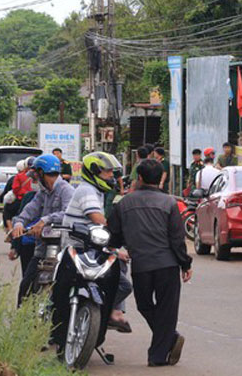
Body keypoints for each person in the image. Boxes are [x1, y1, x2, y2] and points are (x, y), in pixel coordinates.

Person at [107, 159, 192, 367]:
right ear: (161, 178)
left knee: (145, 305)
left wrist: (118, 247)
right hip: (168, 265)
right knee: (167, 309)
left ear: (140, 178)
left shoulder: (124, 203)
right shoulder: (170, 203)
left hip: (141, 266)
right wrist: (185, 264)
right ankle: (161, 349)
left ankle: (163, 345)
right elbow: (176, 239)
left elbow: (114, 236)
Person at [53, 152, 132, 344]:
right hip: (77, 249)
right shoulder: (87, 191)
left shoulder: (97, 191)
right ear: (94, 172)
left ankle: (112, 312)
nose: (111, 177)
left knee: (119, 267)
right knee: (123, 284)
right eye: (107, 172)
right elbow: (98, 219)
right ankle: (110, 313)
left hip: (91, 247)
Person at [12, 154, 75, 305]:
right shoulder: (42, 193)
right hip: (42, 249)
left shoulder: (67, 190)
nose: (34, 179)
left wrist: (44, 220)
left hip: (63, 250)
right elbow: (28, 211)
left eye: (35, 174)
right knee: (26, 286)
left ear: (41, 173)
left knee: (64, 288)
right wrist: (19, 223)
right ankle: (23, 322)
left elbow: (68, 214)